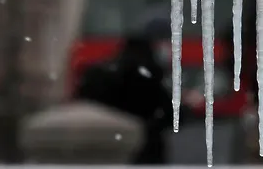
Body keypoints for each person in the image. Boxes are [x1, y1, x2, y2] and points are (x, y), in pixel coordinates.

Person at [74, 34, 192, 164]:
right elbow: (171, 115)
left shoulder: (102, 74)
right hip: (145, 146)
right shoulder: (148, 76)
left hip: (107, 144)